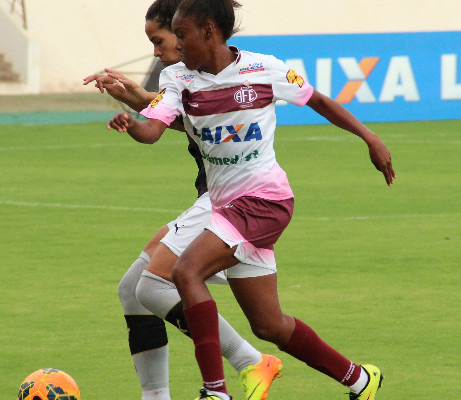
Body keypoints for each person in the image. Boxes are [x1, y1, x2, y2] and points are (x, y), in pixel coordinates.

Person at [106, 1, 396, 399]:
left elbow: (318, 101)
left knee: (185, 273)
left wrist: (370, 137)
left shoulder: (264, 68)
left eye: (182, 34)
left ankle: (215, 392)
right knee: (269, 326)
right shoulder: (178, 78)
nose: (176, 46)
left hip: (266, 201)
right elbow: (154, 130)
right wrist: (132, 124)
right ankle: (360, 380)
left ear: (209, 31)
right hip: (225, 209)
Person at [84, 1, 283, 400]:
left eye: (159, 40)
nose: (156, 51)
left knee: (153, 288)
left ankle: (247, 362)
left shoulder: (217, 74)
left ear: (185, 29)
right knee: (132, 289)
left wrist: (140, 101)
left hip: (226, 204)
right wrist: (138, 97)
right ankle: (158, 395)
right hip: (212, 201)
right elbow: (180, 119)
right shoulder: (187, 77)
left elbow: (180, 120)